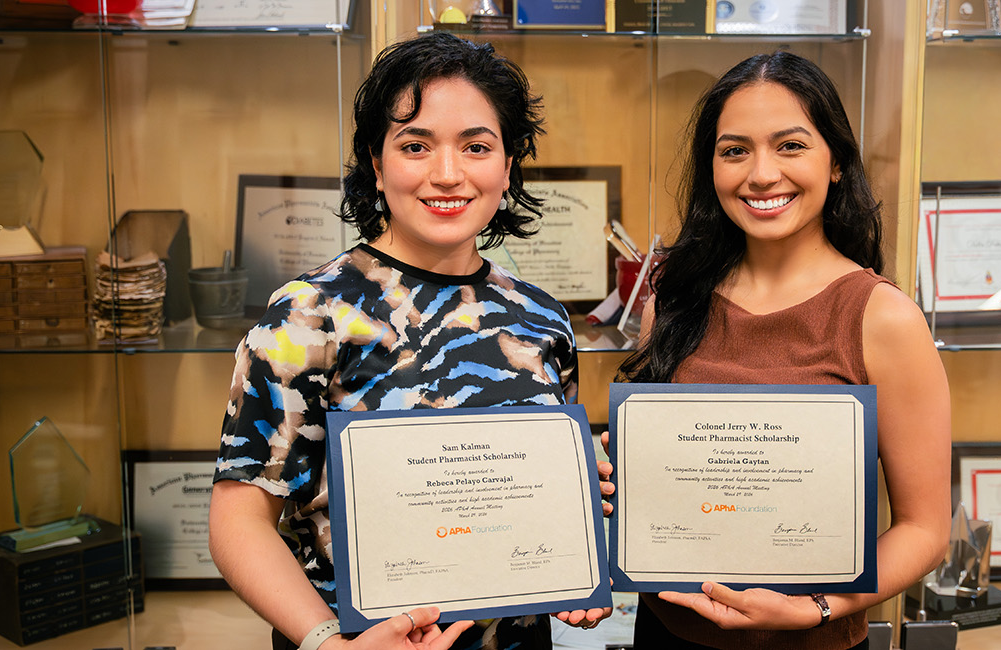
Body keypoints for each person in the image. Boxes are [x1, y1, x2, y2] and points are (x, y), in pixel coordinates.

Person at [209, 32, 609, 650]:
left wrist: (575, 535)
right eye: (415, 145)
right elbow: (239, 519)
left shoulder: (542, 319)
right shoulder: (309, 318)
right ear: (376, 162)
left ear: (507, 165)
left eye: (477, 146)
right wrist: (325, 643)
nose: (447, 175)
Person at [613, 51, 952, 650]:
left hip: (813, 640)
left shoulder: (883, 317)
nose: (761, 174)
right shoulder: (672, 301)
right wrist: (623, 480)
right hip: (668, 634)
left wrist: (818, 607)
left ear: (838, 163)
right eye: (735, 150)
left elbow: (926, 530)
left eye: (791, 145)